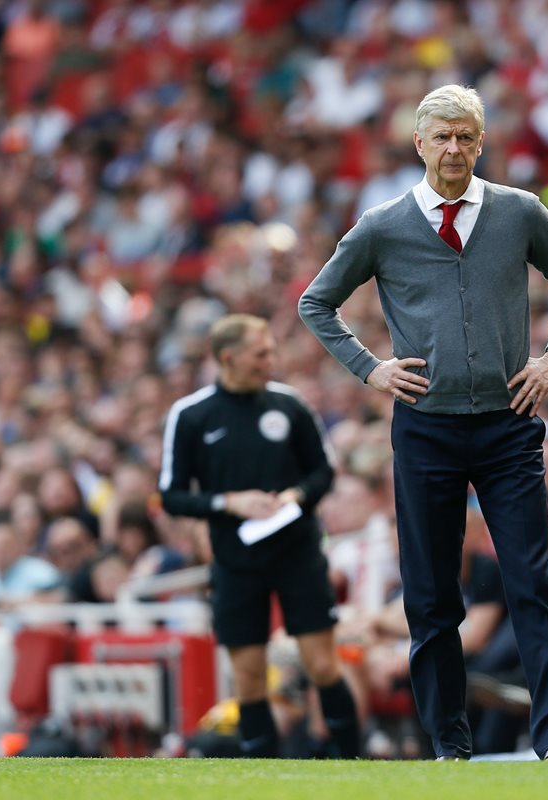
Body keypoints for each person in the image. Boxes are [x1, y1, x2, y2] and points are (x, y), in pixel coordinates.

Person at [298, 84, 548, 762]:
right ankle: (448, 747)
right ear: (419, 144)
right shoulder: (381, 225)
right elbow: (318, 304)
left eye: (467, 136)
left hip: (508, 420)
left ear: (481, 143)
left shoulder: (520, 213)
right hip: (425, 426)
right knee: (430, 595)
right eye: (443, 137)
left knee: (532, 582)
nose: (455, 148)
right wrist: (371, 369)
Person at [158, 313, 360, 759]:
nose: (271, 360)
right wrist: (227, 502)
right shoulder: (191, 415)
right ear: (227, 358)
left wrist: (296, 496)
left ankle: (355, 762)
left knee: (322, 664)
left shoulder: (289, 405)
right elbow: (171, 496)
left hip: (298, 553)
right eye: (260, 353)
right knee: (249, 676)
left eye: (271, 350)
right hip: (235, 561)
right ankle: (262, 772)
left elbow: (323, 470)